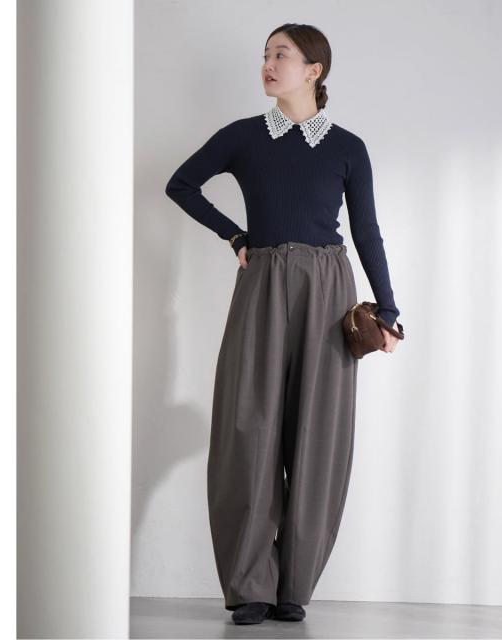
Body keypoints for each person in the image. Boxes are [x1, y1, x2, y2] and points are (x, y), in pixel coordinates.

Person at [165, 23, 403, 625]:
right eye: (266, 55)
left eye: (281, 55)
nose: (268, 65)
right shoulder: (244, 136)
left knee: (318, 433)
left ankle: (294, 585)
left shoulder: (347, 147)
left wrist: (388, 309)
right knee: (249, 426)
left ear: (313, 70)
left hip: (329, 287)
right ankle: (250, 585)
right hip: (264, 279)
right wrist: (234, 235)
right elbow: (181, 184)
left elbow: (367, 231)